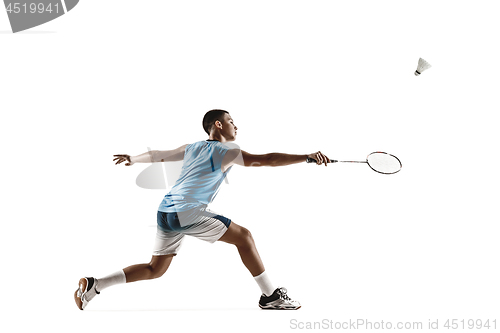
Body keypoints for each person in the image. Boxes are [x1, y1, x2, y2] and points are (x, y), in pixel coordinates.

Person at [74, 109, 330, 310]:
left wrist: (133, 159)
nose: (236, 126)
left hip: (165, 211)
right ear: (218, 125)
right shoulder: (226, 150)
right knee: (244, 237)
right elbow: (265, 160)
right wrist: (306, 157)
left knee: (156, 269)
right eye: (231, 120)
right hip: (186, 212)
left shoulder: (193, 147)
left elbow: (160, 155)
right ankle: (270, 296)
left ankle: (95, 285)